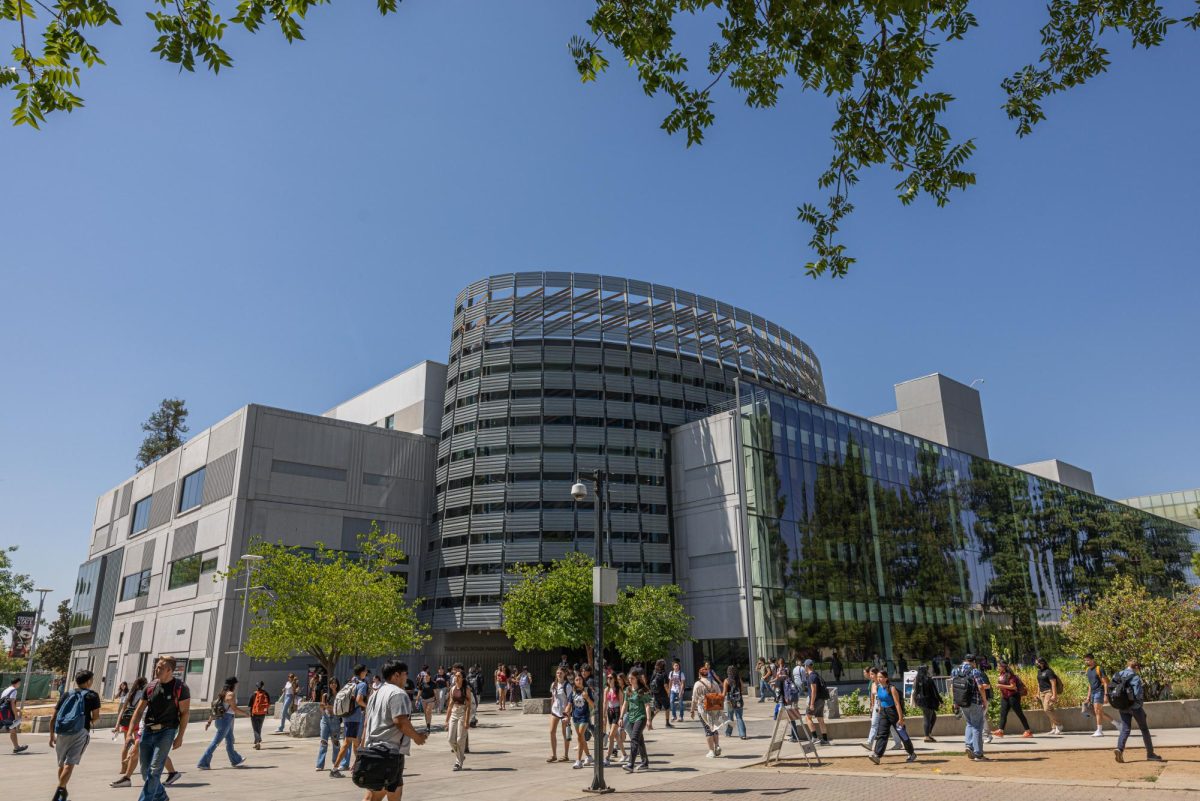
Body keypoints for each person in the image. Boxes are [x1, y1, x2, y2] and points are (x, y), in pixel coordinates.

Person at [359, 661, 428, 801]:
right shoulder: (398, 693)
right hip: (388, 753)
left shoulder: (376, 694)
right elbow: (400, 721)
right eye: (405, 674)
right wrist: (417, 737)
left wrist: (363, 746)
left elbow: (367, 723)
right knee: (374, 796)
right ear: (396, 675)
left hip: (375, 750)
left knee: (394, 793)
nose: (407, 678)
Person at [127, 656, 192, 801]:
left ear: (169, 670)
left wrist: (180, 736)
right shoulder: (150, 687)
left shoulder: (181, 688)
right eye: (156, 666)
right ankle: (162, 796)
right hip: (148, 732)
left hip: (166, 732)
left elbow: (185, 713)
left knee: (154, 770)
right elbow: (138, 711)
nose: (156, 669)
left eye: (160, 667)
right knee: (145, 772)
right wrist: (130, 732)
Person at [49, 668, 102, 800]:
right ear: (89, 681)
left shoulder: (67, 694)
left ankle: (63, 793)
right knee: (70, 763)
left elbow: (54, 716)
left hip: (62, 732)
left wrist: (51, 736)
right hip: (80, 731)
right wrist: (89, 722)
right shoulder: (92, 695)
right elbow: (96, 717)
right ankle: (59, 791)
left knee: (62, 764)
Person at [1111, 658, 1162, 763]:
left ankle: (1119, 749)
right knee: (1144, 729)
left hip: (1122, 706)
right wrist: (1139, 705)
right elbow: (1137, 693)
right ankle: (1150, 754)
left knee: (1125, 729)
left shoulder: (1117, 674)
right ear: (1136, 667)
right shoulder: (1135, 677)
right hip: (1134, 707)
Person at [198, 676, 248, 770]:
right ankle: (203, 762)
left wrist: (209, 722)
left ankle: (235, 760)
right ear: (233, 685)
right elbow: (234, 709)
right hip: (225, 720)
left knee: (229, 741)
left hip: (221, 720)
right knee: (215, 742)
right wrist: (245, 713)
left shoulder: (222, 694)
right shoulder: (231, 694)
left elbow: (215, 709)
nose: (237, 686)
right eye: (236, 684)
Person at [867, 669, 916, 765]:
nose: (879, 679)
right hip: (884, 713)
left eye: (881, 677)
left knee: (902, 733)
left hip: (893, 712)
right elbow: (880, 700)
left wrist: (901, 718)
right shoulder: (878, 688)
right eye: (878, 677)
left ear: (886, 678)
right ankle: (877, 755)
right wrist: (880, 710)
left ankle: (911, 753)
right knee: (882, 734)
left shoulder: (892, 688)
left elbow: (897, 704)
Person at [331, 664, 370, 779]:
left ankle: (358, 767)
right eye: (365, 671)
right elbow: (359, 700)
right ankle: (335, 769)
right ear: (362, 672)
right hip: (354, 717)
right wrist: (368, 706)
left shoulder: (350, 682)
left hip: (347, 716)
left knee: (355, 742)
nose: (366, 673)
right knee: (348, 742)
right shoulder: (362, 684)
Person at [951, 654, 991, 761]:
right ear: (973, 661)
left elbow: (953, 687)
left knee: (969, 724)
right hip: (975, 702)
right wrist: (985, 701)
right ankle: (978, 754)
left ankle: (969, 745)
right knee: (977, 726)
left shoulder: (955, 670)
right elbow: (980, 687)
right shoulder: (975, 671)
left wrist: (955, 702)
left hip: (962, 702)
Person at [621, 668, 652, 773]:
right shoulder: (628, 690)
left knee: (634, 739)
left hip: (641, 717)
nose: (630, 680)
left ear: (637, 678)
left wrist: (648, 720)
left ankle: (631, 764)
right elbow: (625, 704)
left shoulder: (642, 691)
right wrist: (621, 717)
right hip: (631, 718)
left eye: (632, 678)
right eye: (629, 678)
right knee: (639, 741)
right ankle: (645, 762)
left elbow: (647, 706)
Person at [690, 666, 725, 758]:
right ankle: (717, 746)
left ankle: (711, 751)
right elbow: (720, 695)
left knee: (708, 729)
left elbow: (694, 699)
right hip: (714, 708)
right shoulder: (714, 683)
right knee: (715, 727)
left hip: (703, 709)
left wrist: (692, 710)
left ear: (699, 674)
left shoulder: (698, 684)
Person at [993, 661, 1032, 738]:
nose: (997, 667)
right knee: (1003, 713)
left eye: (999, 666)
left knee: (1019, 713)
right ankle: (1001, 731)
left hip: (1013, 696)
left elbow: (1013, 687)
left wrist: (1000, 685)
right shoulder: (1001, 675)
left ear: (1003, 667)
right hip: (1005, 697)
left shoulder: (1010, 675)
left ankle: (1028, 731)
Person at [445, 667, 474, 770]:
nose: (456, 677)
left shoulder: (466, 689)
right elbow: (449, 705)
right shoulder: (452, 689)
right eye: (455, 676)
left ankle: (458, 763)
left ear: (462, 678)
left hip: (463, 712)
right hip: (454, 713)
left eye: (458, 676)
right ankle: (461, 756)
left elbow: (468, 706)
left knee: (460, 739)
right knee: (450, 739)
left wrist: (466, 721)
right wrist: (446, 720)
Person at [565, 673, 595, 769]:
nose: (578, 681)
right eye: (577, 680)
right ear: (574, 681)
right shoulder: (573, 692)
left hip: (584, 717)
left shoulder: (587, 690)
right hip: (575, 717)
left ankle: (578, 761)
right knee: (581, 738)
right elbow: (569, 705)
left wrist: (587, 698)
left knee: (580, 737)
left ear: (583, 680)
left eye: (580, 679)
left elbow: (593, 705)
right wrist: (566, 714)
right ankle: (589, 756)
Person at [1085, 653, 1115, 736]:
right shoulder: (1087, 670)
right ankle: (1117, 723)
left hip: (1100, 691)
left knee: (1097, 711)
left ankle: (1099, 730)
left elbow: (1105, 683)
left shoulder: (1099, 669)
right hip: (1093, 692)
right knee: (1099, 712)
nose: (1086, 662)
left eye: (1088, 660)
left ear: (1092, 660)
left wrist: (1106, 695)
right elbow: (1090, 684)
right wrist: (1088, 696)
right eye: (1085, 660)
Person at [316, 676, 343, 771]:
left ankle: (336, 763)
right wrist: (324, 707)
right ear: (329, 684)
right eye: (332, 683)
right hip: (325, 719)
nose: (333, 685)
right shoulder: (325, 695)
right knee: (323, 742)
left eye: (335, 683)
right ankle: (319, 765)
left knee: (335, 743)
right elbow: (322, 707)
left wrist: (329, 707)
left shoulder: (340, 695)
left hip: (335, 720)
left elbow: (339, 709)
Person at [803, 659, 831, 745]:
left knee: (808, 717)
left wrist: (811, 703)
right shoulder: (816, 675)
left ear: (807, 666)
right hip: (821, 699)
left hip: (815, 700)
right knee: (820, 719)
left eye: (804, 666)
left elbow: (813, 691)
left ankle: (815, 737)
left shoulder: (812, 676)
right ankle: (825, 739)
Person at [548, 667, 572, 763]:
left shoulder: (567, 686)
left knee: (565, 733)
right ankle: (554, 755)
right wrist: (551, 708)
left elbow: (570, 700)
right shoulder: (553, 684)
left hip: (564, 712)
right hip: (555, 710)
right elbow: (553, 697)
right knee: (551, 731)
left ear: (565, 674)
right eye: (557, 673)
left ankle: (565, 755)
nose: (558, 674)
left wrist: (568, 714)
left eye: (560, 673)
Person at [912, 664, 942, 742]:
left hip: (920, 701)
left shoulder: (917, 679)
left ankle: (928, 734)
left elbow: (915, 692)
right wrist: (941, 701)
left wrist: (915, 701)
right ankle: (926, 736)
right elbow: (935, 692)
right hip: (928, 701)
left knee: (933, 717)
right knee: (927, 718)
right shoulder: (929, 680)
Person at [1034, 657, 1063, 734]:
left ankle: (1059, 725)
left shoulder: (1049, 671)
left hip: (1049, 692)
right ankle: (1054, 727)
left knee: (1046, 709)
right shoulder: (1039, 672)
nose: (1036, 664)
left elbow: (1053, 684)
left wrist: (1054, 695)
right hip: (1042, 693)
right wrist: (1037, 693)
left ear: (1042, 663)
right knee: (1050, 710)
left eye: (1037, 663)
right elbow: (1038, 684)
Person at [0, 677, 28, 754]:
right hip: (7, 714)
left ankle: (16, 747)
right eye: (20, 683)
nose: (20, 685)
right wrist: (16, 715)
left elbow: (5, 703)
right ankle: (16, 747)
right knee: (13, 729)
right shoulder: (14, 690)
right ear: (17, 683)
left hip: (1, 712)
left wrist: (17, 710)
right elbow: (12, 703)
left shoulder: (6, 690)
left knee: (12, 729)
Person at [602, 673, 625, 766]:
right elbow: (605, 703)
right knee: (616, 736)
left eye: (611, 678)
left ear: (614, 679)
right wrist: (603, 716)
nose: (609, 679)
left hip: (616, 712)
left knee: (611, 736)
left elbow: (621, 704)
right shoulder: (606, 689)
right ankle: (624, 754)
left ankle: (607, 758)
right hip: (609, 712)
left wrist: (621, 717)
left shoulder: (618, 689)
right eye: (608, 678)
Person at [722, 665, 747, 740]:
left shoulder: (726, 680)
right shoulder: (739, 679)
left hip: (730, 702)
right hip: (739, 701)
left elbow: (724, 693)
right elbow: (742, 689)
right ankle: (742, 734)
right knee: (739, 717)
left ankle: (728, 733)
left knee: (730, 718)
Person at [649, 659, 672, 728]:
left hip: (656, 693)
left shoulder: (654, 672)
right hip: (663, 693)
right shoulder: (664, 673)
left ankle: (650, 720)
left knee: (658, 708)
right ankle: (667, 723)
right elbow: (665, 685)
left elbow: (650, 682)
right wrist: (668, 692)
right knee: (667, 707)